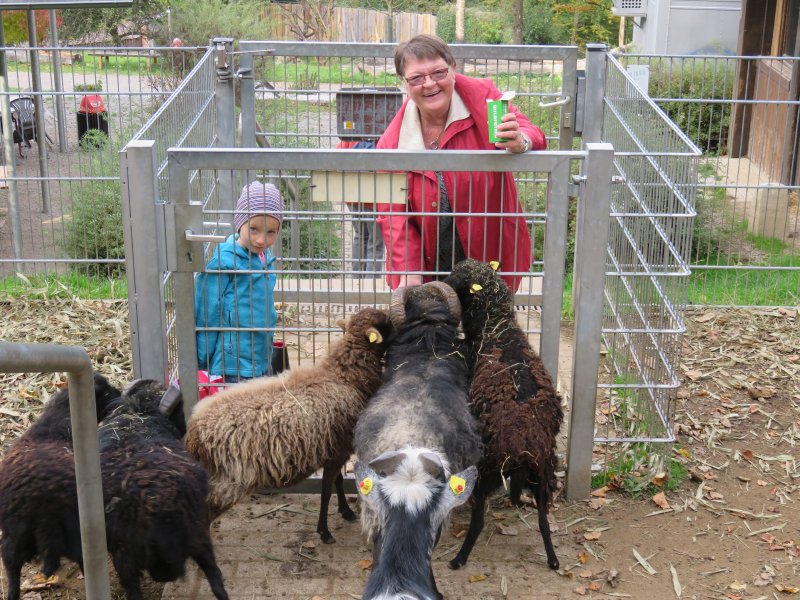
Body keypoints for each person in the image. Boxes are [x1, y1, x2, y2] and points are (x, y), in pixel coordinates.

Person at [375, 34, 547, 291]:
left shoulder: (483, 98)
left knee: (487, 310)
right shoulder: (392, 143)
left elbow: (530, 131)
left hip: (488, 247)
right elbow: (393, 214)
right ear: (404, 83)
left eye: (439, 73)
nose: (430, 84)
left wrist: (520, 140)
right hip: (429, 258)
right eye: (417, 78)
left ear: (453, 68)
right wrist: (409, 268)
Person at [195, 181, 284, 383]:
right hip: (233, 363)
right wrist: (201, 358)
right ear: (239, 223)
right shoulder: (224, 262)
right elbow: (206, 312)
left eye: (270, 232)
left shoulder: (265, 258)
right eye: (254, 229)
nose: (261, 240)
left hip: (261, 356)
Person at [335, 138, 385, 278]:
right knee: (375, 243)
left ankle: (356, 281)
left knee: (360, 235)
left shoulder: (352, 134)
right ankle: (370, 285)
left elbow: (337, 157)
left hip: (353, 195)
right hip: (377, 196)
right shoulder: (384, 132)